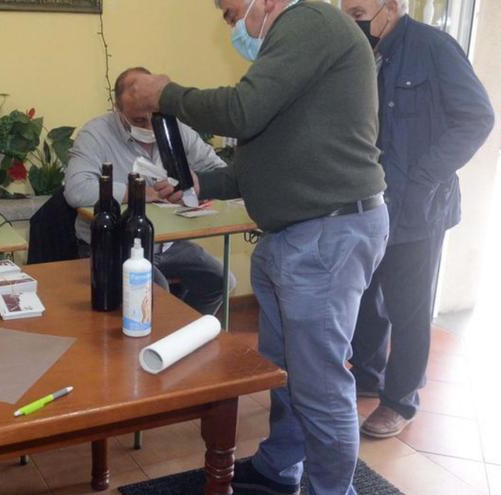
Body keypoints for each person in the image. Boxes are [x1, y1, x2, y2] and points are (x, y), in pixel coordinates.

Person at [127, 1, 388, 493]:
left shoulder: (309, 20)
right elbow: (265, 156)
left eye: (230, 13)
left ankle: (332, 490)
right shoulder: (297, 40)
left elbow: (242, 111)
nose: (232, 27)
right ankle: (278, 467)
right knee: (284, 372)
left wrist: (167, 93)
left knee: (320, 386)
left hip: (325, 235)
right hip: (297, 235)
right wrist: (201, 185)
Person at [340, 0, 494, 438]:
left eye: (357, 12)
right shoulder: (365, 54)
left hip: (418, 207)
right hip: (370, 203)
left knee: (409, 306)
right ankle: (368, 375)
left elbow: (478, 118)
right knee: (368, 297)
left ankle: (400, 400)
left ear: (390, 6)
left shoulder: (434, 48)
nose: (353, 21)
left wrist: (425, 176)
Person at [64, 66, 235, 315]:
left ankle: (186, 332)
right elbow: (77, 190)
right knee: (154, 291)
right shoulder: (95, 134)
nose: (149, 126)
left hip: (167, 244)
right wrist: (142, 193)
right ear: (117, 109)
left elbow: (220, 172)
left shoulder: (177, 130)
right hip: (114, 244)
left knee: (220, 280)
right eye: (137, 120)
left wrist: (197, 183)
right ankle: (155, 340)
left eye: (154, 116)